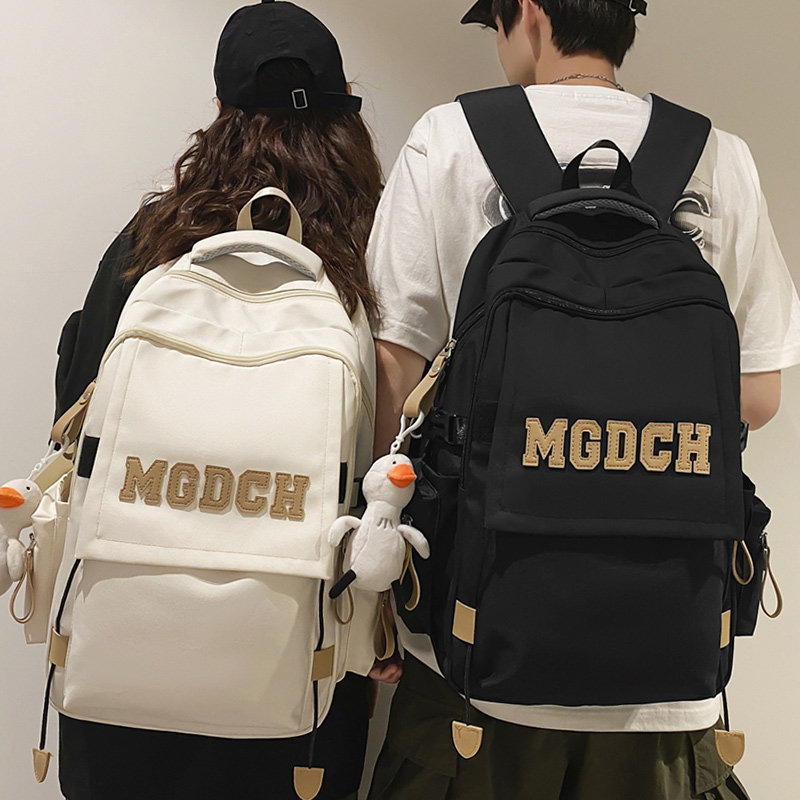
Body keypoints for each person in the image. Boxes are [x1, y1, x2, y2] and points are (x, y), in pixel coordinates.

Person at [366, 1, 800, 798]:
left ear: (527, 12)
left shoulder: (448, 139)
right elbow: (759, 395)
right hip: (669, 670)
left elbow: (394, 378)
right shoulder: (718, 156)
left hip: (475, 666)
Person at [53, 3, 383, 799]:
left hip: (127, 652)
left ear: (219, 111)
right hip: (294, 663)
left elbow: (73, 428)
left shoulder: (147, 247)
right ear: (344, 110)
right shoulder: (365, 257)